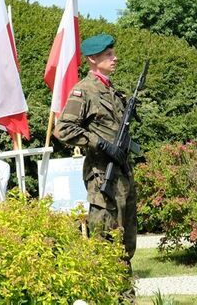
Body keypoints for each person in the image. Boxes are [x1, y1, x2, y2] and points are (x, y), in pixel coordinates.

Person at [55, 33, 137, 261]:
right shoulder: (84, 91)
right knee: (106, 240)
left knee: (127, 241)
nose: (115, 58)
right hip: (102, 176)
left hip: (123, 173)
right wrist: (100, 143)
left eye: (113, 53)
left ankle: (125, 294)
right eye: (108, 55)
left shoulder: (112, 91)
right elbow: (63, 129)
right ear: (92, 58)